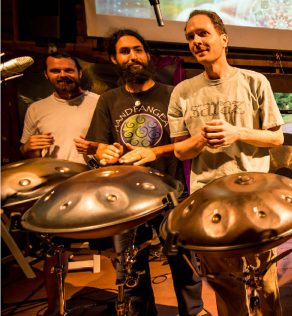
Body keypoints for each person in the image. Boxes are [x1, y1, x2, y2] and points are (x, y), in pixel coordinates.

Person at [168, 10, 284, 316]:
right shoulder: (182, 92)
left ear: (224, 38)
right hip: (208, 197)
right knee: (225, 284)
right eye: (190, 36)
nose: (196, 41)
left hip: (254, 196)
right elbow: (180, 151)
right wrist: (200, 140)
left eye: (202, 33)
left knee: (266, 281)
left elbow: (277, 139)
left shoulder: (254, 82)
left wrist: (237, 133)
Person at [85, 29, 204, 316]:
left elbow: (188, 143)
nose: (133, 56)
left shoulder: (171, 94)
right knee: (132, 268)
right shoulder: (108, 100)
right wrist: (103, 152)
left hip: (171, 194)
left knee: (184, 265)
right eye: (125, 51)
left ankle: (193, 312)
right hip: (127, 199)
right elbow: (98, 147)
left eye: (138, 50)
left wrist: (156, 152)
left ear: (148, 55)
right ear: (114, 59)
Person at [20, 52, 99, 316]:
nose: (63, 75)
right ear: (46, 75)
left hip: (91, 185)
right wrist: (29, 148)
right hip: (53, 189)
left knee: (109, 248)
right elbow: (26, 150)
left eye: (68, 70)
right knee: (54, 254)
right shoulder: (36, 108)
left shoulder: (98, 103)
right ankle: (56, 308)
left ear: (79, 72)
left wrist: (96, 147)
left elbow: (110, 143)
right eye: (56, 71)